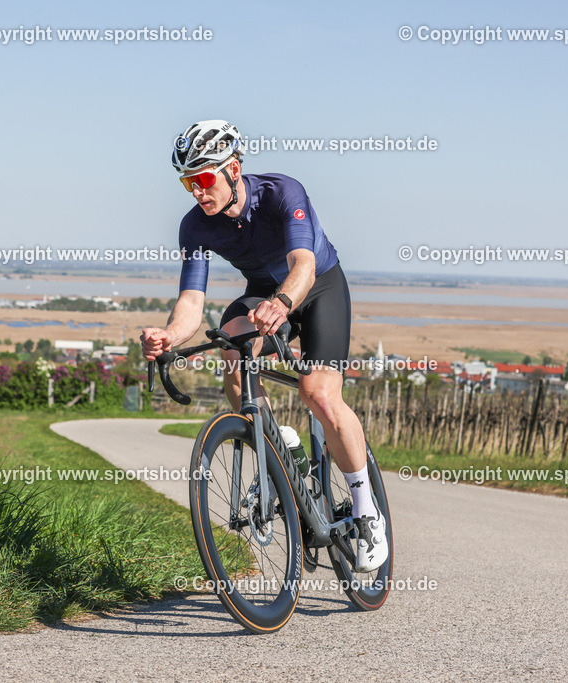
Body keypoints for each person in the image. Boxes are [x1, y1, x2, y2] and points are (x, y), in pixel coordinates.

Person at [140, 120, 387, 572]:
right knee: (230, 351)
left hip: (316, 289)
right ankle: (282, 445)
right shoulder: (195, 226)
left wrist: (283, 303)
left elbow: (304, 263)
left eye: (203, 178)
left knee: (317, 392)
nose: (196, 191)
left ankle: (366, 510)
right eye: (186, 181)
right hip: (264, 293)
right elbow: (191, 301)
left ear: (233, 169)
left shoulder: (281, 193)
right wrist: (169, 336)